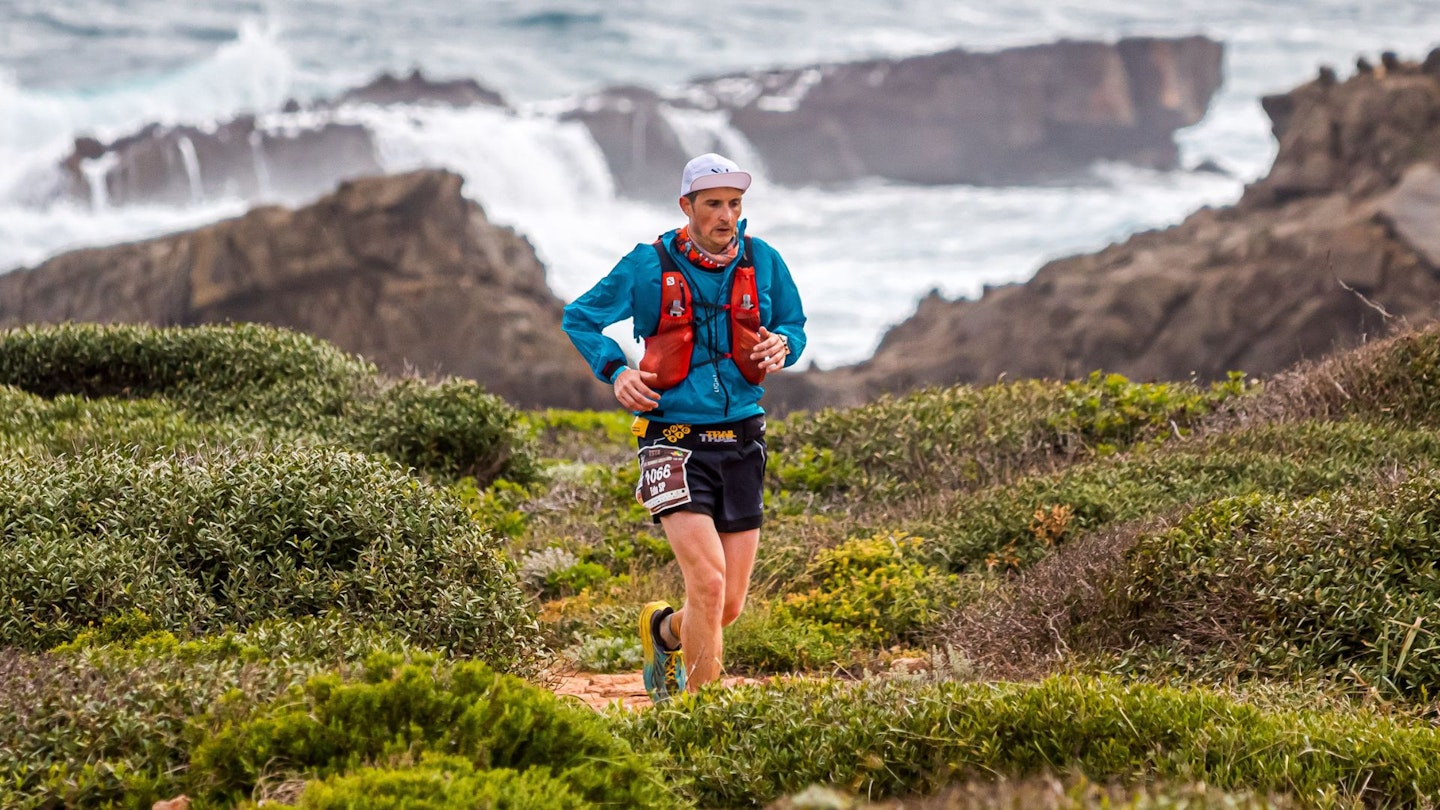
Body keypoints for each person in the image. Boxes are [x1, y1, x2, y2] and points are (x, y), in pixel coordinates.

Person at [562, 153, 807, 702]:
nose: (726, 216)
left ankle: (663, 632)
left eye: (735, 204)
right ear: (687, 206)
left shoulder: (763, 260)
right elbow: (579, 316)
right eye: (714, 204)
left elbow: (794, 324)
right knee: (708, 581)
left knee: (728, 606)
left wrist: (784, 343)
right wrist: (616, 369)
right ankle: (700, 719)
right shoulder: (646, 266)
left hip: (742, 440)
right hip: (670, 445)